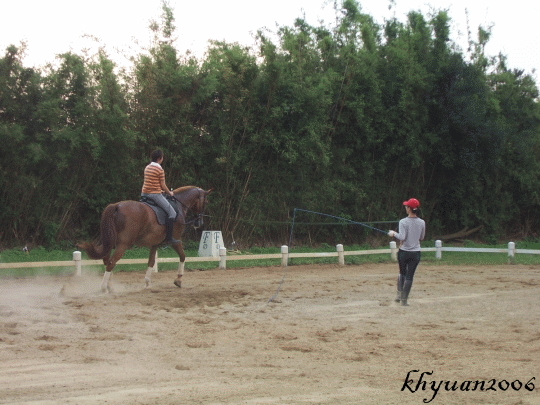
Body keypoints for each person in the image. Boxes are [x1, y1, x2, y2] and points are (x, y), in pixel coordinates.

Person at [388, 198, 426, 306]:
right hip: (416, 253)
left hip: (404, 252)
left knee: (402, 272)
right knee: (410, 276)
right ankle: (404, 300)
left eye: (406, 206)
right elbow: (422, 237)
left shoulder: (403, 221)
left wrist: (393, 233)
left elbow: (402, 237)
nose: (405, 208)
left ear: (409, 209)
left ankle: (399, 295)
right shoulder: (422, 222)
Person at [141, 149, 179, 245]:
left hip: (144, 193)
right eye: (162, 158)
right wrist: (169, 193)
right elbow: (163, 185)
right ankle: (169, 238)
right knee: (172, 213)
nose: (162, 159)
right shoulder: (159, 169)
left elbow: (151, 182)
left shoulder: (147, 167)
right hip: (154, 195)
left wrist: (159, 190)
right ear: (159, 158)